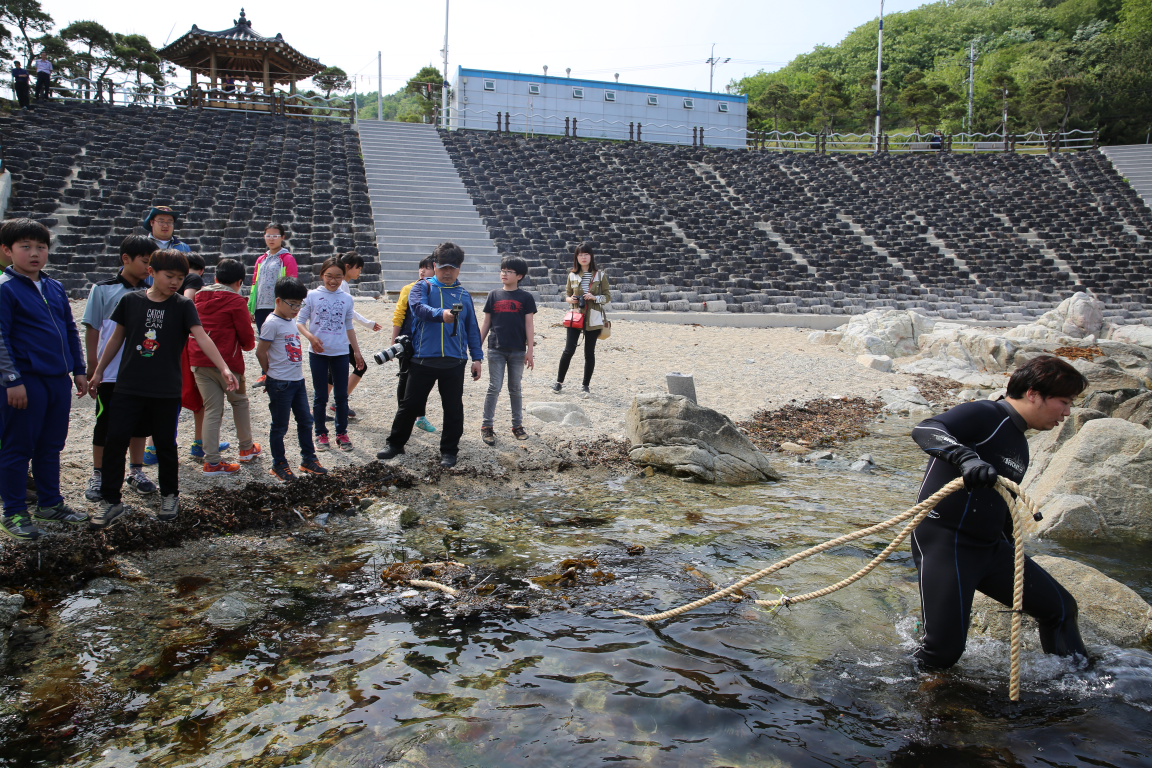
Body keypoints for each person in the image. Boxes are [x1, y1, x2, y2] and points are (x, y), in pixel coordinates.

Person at [910, 355, 1090, 669]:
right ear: (1034, 393)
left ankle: (1080, 688)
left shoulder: (1020, 444)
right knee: (943, 653)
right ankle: (902, 700)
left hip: (991, 550)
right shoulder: (985, 413)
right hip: (945, 542)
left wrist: (1010, 546)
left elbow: (1000, 506)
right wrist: (966, 458)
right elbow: (926, 428)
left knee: (1061, 610)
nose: (1067, 412)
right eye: (1064, 401)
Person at [88, 250, 238, 529]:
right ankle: (111, 500)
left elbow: (201, 336)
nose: (174, 282)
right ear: (152, 272)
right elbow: (116, 338)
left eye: (180, 278)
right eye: (169, 276)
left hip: (166, 389)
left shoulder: (182, 305)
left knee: (166, 446)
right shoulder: (130, 301)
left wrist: (223, 367)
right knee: (115, 441)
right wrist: (98, 371)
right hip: (128, 386)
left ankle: (170, 496)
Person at [0, 219, 88, 540]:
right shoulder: (6, 289)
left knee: (51, 445)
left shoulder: (54, 286)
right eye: (25, 247)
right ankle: (13, 512)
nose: (35, 253)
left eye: (41, 247)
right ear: (8, 251)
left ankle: (50, 503)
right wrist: (11, 380)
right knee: (17, 446)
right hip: (25, 380)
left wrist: (78, 369)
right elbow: (0, 338)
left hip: (57, 379)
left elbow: (69, 329)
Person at [377, 242, 483, 469]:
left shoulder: (463, 294)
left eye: (453, 268)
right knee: (409, 405)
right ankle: (395, 444)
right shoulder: (421, 287)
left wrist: (477, 358)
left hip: (454, 361)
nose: (447, 272)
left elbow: (472, 328)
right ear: (434, 265)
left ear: (459, 269)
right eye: (443, 267)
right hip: (422, 359)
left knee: (453, 409)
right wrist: (441, 314)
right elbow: (419, 309)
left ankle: (449, 451)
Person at [81, 235, 158, 503]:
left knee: (140, 425)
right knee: (105, 424)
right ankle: (99, 474)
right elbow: (92, 328)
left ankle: (136, 471)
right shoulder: (103, 290)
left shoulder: (152, 293)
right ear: (125, 259)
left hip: (142, 373)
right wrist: (93, 366)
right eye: (145, 262)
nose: (149, 268)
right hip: (110, 372)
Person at [188, 258, 260, 475]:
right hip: (228, 360)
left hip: (199, 359)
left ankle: (211, 461)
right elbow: (246, 336)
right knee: (239, 402)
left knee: (212, 409)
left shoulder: (198, 296)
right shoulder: (236, 301)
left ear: (215, 277)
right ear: (239, 282)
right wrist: (248, 346)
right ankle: (246, 448)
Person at [256, 277, 328, 482]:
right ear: (278, 301)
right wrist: (269, 374)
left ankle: (308, 459)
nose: (297, 309)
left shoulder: (290, 321)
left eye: (299, 304)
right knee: (280, 426)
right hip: (279, 383)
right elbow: (261, 352)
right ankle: (279, 464)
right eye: (292, 304)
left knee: (306, 420)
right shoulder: (271, 323)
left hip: (297, 381)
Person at [296, 256, 363, 453]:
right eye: (329, 276)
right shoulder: (311, 296)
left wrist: (357, 352)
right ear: (321, 275)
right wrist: (311, 337)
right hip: (317, 353)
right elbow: (300, 322)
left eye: (338, 277)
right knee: (320, 396)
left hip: (341, 352)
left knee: (341, 396)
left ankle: (341, 432)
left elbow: (349, 326)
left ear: (344, 277)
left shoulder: (347, 298)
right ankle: (320, 433)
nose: (333, 281)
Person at [479, 255, 536, 445]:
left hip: (518, 350)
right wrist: (477, 348)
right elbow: (486, 323)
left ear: (519, 276)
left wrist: (530, 351)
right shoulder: (493, 294)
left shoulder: (526, 297)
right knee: (494, 387)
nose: (503, 274)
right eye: (502, 270)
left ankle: (517, 425)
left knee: (515, 389)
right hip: (496, 348)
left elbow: (529, 325)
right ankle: (487, 426)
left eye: (508, 271)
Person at [327, 251, 382, 419]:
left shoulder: (342, 284)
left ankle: (322, 406)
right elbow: (349, 313)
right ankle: (339, 403)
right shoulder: (342, 284)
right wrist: (368, 323)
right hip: (340, 337)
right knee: (360, 366)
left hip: (334, 335)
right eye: (358, 268)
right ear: (347, 267)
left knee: (332, 372)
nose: (359, 272)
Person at [551, 242, 610, 394]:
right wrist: (572, 300)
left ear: (591, 256)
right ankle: (559, 382)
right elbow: (567, 295)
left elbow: (607, 297)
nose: (583, 257)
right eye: (580, 254)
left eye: (586, 254)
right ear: (576, 257)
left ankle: (585, 385)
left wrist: (594, 297)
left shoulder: (600, 275)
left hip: (593, 318)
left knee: (589, 352)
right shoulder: (572, 275)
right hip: (576, 316)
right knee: (568, 350)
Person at [391, 256, 437, 434]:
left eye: (427, 268)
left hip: (425, 341)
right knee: (404, 377)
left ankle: (420, 416)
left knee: (423, 380)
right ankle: (403, 415)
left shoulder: (435, 290)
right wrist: (394, 341)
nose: (422, 271)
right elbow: (399, 315)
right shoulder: (409, 288)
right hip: (407, 340)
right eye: (421, 267)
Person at [249, 222, 298, 334]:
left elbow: (292, 283)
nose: (271, 239)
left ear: (282, 237)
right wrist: (251, 307)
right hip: (260, 307)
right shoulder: (261, 259)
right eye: (268, 236)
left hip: (279, 306)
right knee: (264, 338)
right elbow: (254, 284)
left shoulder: (287, 258)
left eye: (275, 236)